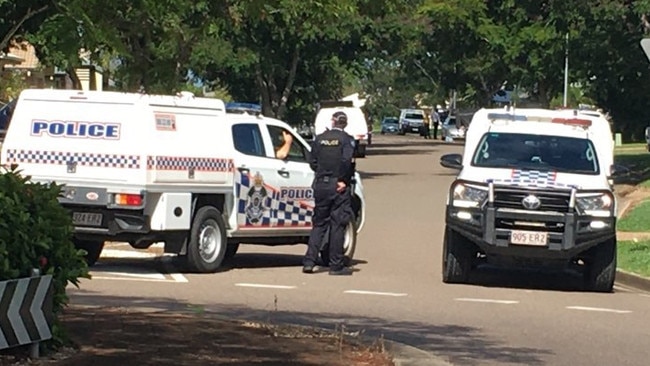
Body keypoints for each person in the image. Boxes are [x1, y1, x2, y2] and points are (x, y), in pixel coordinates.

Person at [303, 111, 355, 276]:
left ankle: (309, 262)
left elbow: (312, 161)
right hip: (337, 186)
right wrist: (341, 180)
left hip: (321, 185)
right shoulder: (347, 140)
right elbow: (347, 161)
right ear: (344, 123)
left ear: (333, 122)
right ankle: (335, 265)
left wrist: (322, 174)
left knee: (319, 224)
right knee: (338, 224)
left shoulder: (319, 139)